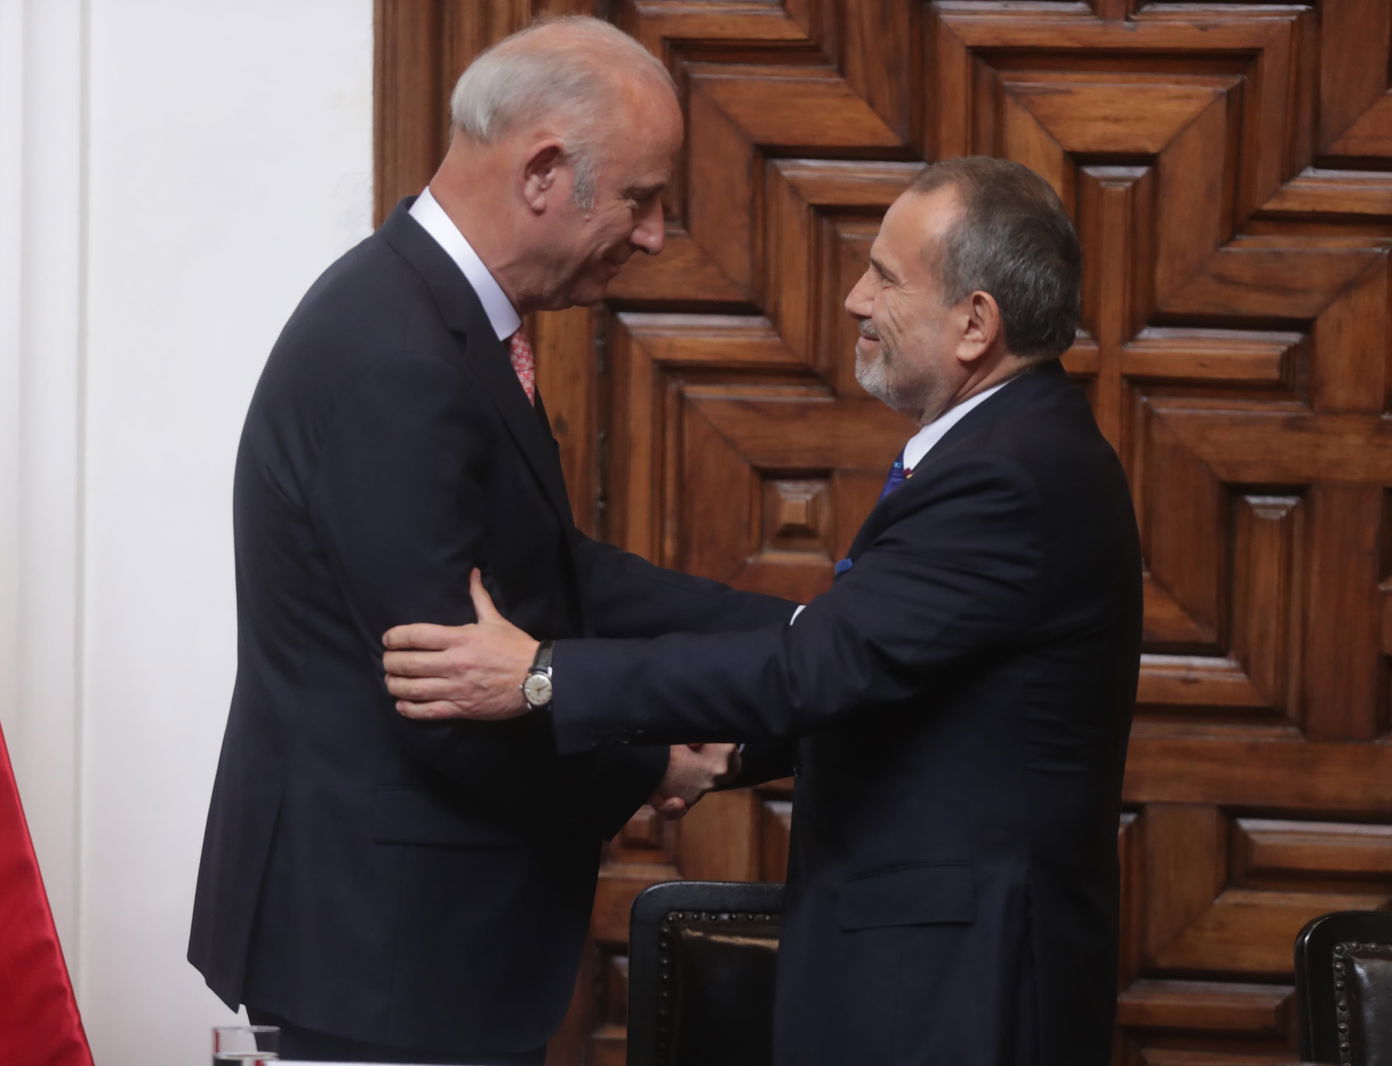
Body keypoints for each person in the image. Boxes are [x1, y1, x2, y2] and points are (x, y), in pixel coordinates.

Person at [384, 157, 1144, 1065]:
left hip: (959, 984)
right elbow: (893, 675)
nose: (856, 300)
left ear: (976, 322)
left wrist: (543, 675)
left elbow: (821, 664)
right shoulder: (1011, 445)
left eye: (886, 278)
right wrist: (729, 750)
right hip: (927, 965)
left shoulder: (1009, 474)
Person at [187, 16, 793, 1066]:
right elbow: (442, 694)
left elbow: (552, 570)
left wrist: (797, 632)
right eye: (643, 198)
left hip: (404, 939)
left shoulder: (428, 316)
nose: (653, 235)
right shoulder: (397, 354)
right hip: (384, 951)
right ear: (547, 174)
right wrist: (651, 762)